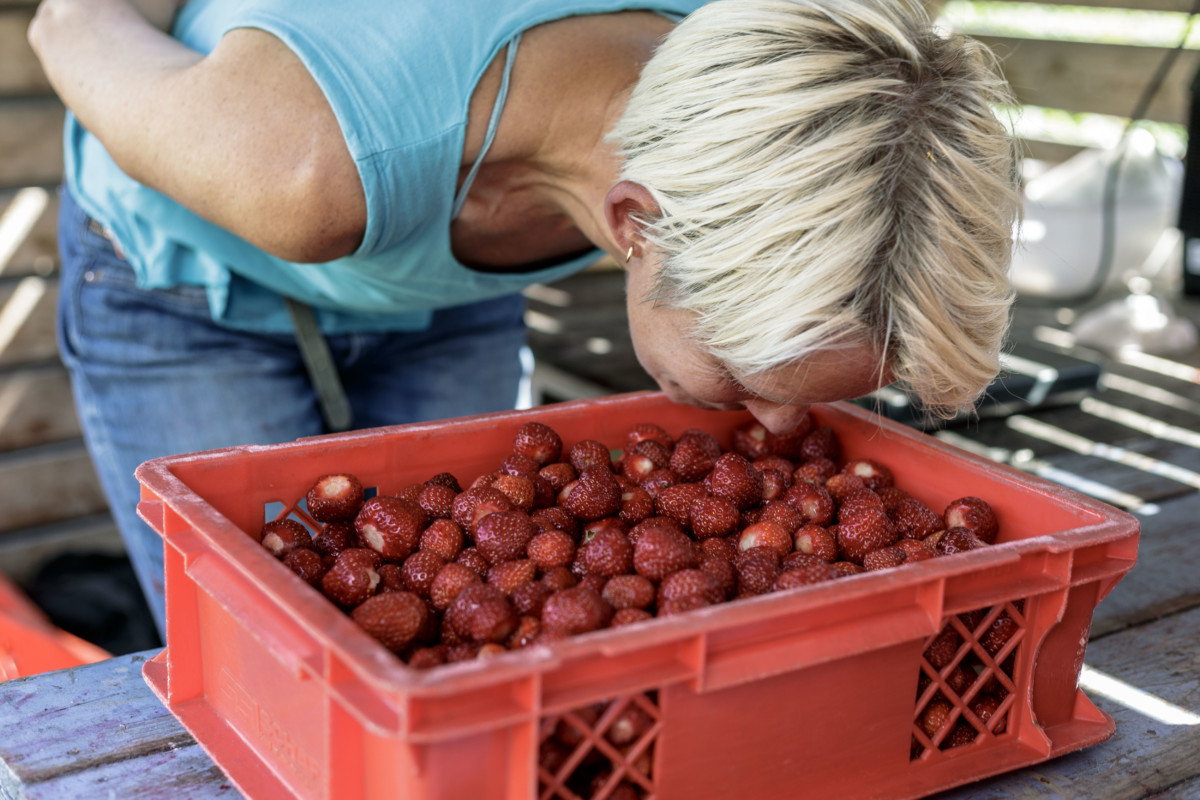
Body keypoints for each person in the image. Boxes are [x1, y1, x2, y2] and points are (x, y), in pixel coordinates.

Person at [28, 0, 1020, 637]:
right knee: (253, 642)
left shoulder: (783, 97)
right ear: (634, 224)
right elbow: (68, 21)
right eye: (754, 378)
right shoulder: (303, 162)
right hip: (191, 279)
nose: (777, 428)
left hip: (451, 276)